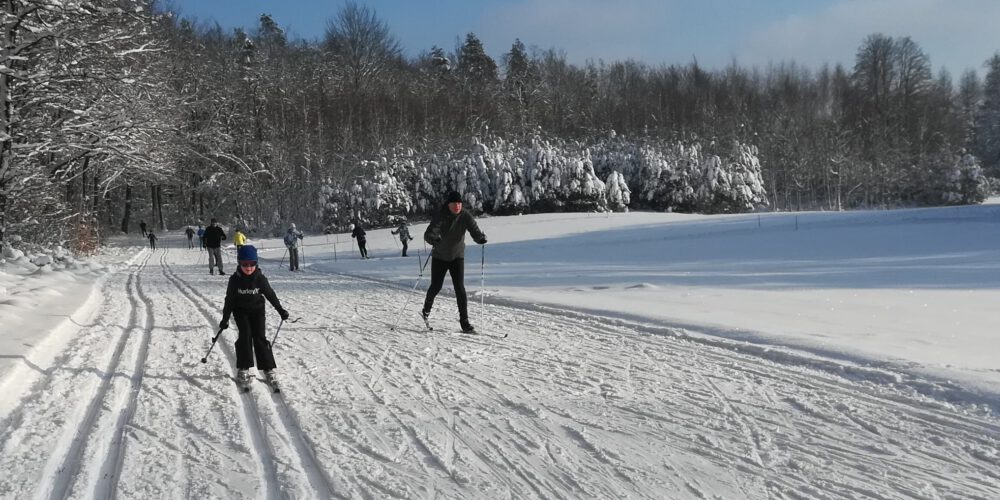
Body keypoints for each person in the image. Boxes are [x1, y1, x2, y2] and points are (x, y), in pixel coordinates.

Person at [219, 245, 289, 391]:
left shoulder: (260, 279)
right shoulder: (234, 280)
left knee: (260, 337)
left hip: (257, 311)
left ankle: (268, 368)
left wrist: (281, 310)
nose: (248, 267)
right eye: (245, 264)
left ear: (256, 264)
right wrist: (225, 319)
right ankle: (243, 368)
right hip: (241, 311)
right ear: (239, 263)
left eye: (252, 264)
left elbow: (270, 295)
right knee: (245, 336)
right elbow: (230, 300)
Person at [422, 191, 487, 333]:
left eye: (459, 203)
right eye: (454, 203)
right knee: (436, 286)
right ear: (449, 204)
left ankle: (465, 323)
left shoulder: (465, 216)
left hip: (457, 256)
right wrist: (434, 239)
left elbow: (474, 230)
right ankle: (426, 310)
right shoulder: (441, 215)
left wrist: (480, 238)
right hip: (440, 256)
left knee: (460, 288)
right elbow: (429, 233)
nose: (457, 206)